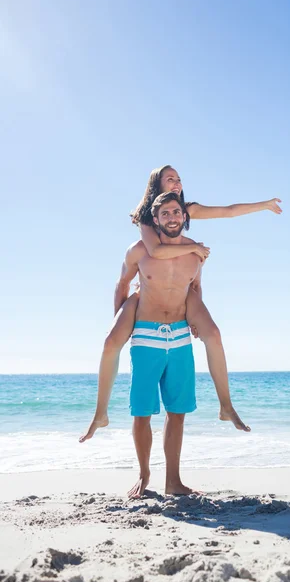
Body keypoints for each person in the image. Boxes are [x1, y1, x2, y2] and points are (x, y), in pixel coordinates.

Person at [80, 165, 282, 443]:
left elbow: (228, 210)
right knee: (111, 341)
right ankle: (100, 413)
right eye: (169, 179)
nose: (176, 183)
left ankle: (226, 406)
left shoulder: (187, 209)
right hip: (148, 289)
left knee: (213, 334)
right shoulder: (146, 218)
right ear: (156, 185)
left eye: (178, 179)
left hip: (182, 287)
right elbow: (156, 251)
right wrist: (194, 247)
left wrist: (265, 205)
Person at [120, 192, 201, 497]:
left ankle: (174, 482)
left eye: (176, 212)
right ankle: (144, 475)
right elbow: (122, 283)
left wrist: (195, 320)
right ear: (155, 220)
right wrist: (121, 324)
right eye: (165, 213)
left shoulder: (195, 256)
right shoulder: (139, 250)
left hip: (179, 337)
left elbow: (196, 288)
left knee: (177, 411)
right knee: (142, 412)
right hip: (146, 336)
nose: (171, 218)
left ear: (184, 216)